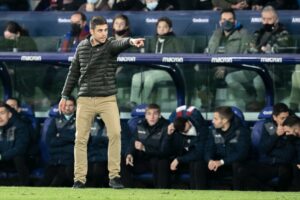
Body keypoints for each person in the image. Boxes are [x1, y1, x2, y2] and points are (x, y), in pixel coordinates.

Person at [58, 16, 144, 189]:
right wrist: (65, 95)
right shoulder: (81, 47)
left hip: (107, 99)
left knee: (115, 134)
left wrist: (131, 42)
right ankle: (79, 179)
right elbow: (73, 72)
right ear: (91, 31)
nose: (104, 33)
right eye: (100, 30)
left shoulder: (110, 45)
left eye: (106, 30)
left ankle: (114, 177)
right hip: (85, 99)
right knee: (80, 139)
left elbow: (120, 44)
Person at [241, 103, 295, 191]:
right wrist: (276, 135)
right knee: (243, 170)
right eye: (282, 118)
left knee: (285, 170)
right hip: (268, 164)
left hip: (284, 164)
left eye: (287, 118)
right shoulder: (269, 125)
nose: (286, 121)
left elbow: (289, 153)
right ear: (274, 117)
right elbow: (263, 149)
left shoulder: (293, 126)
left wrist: (272, 150)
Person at [130, 17, 183, 104]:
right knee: (136, 77)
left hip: (169, 71)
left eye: (164, 27)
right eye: (159, 27)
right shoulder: (152, 40)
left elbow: (181, 56)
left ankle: (141, 104)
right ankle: (133, 103)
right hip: (153, 70)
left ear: (170, 29)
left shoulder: (175, 40)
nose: (161, 29)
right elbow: (146, 56)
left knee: (149, 79)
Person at [206, 9, 251, 109]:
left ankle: (247, 103)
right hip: (216, 67)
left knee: (222, 74)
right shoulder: (216, 34)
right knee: (200, 73)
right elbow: (208, 52)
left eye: (230, 19)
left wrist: (225, 68)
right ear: (220, 22)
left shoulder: (243, 34)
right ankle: (206, 103)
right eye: (224, 19)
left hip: (235, 67)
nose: (226, 22)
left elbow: (245, 57)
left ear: (235, 22)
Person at [248, 6, 294, 103]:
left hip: (275, 70)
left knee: (258, 81)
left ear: (276, 19)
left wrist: (269, 50)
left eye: (270, 19)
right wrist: (258, 49)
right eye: (264, 19)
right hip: (256, 67)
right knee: (232, 78)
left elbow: (280, 49)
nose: (266, 22)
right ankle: (247, 102)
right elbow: (250, 48)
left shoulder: (283, 33)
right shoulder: (258, 33)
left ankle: (262, 104)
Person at [123, 104, 170, 188]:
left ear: (159, 115)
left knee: (161, 161)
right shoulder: (140, 125)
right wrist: (129, 154)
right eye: (149, 114)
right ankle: (127, 191)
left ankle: (161, 193)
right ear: (145, 116)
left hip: (157, 160)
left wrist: (144, 148)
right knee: (122, 160)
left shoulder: (166, 127)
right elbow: (133, 142)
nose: (152, 116)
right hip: (143, 161)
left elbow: (164, 151)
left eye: (155, 114)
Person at [204, 106, 251, 190]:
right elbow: (208, 148)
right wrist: (210, 160)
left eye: (215, 119)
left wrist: (222, 162)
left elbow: (241, 154)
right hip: (218, 164)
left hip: (234, 164)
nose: (213, 121)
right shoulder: (213, 130)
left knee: (238, 165)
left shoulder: (241, 131)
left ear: (225, 120)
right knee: (199, 164)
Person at [164, 106, 208, 189]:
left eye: (188, 128)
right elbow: (164, 150)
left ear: (188, 121)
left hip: (197, 157)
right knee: (161, 161)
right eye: (185, 132)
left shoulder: (201, 127)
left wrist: (179, 159)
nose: (188, 132)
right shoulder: (174, 129)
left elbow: (199, 152)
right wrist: (168, 136)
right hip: (182, 157)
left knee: (196, 164)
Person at [39, 97, 76, 187]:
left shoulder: (80, 121)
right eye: (65, 105)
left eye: (70, 105)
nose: (67, 108)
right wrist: (69, 138)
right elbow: (50, 140)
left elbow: (78, 139)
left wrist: (60, 136)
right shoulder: (54, 120)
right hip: (55, 158)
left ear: (75, 107)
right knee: (44, 183)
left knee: (56, 183)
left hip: (71, 158)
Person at [0, 102, 30, 186]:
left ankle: (24, 186)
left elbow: (20, 149)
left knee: (18, 157)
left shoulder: (20, 126)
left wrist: (1, 156)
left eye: (2, 113)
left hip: (22, 160)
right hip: (4, 160)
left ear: (9, 114)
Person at [86, 117, 109, 187]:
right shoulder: (90, 123)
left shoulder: (113, 124)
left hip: (106, 157)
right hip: (91, 156)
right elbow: (85, 143)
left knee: (97, 169)